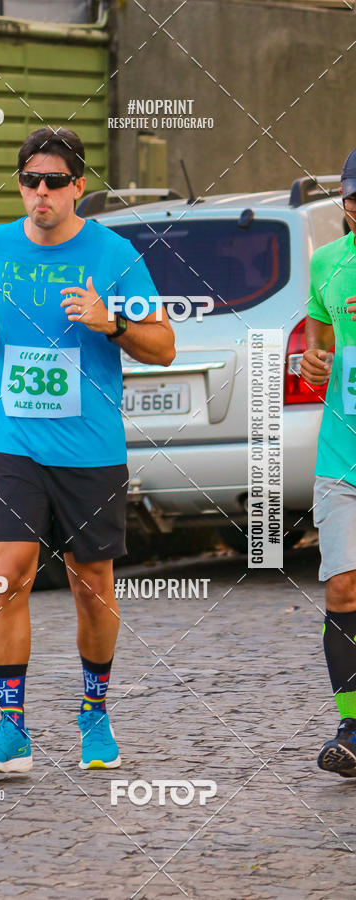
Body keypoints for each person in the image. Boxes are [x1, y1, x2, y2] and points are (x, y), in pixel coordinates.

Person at [0, 126, 175, 773]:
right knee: (8, 575)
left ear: (79, 186)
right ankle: (11, 729)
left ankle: (95, 714)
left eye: (55, 181)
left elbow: (164, 345)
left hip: (89, 448)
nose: (42, 192)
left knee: (91, 587)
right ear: (21, 185)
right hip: (14, 441)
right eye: (31, 180)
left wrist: (111, 322)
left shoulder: (113, 256)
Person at [300, 147, 356, 777]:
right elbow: (319, 348)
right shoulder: (325, 264)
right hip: (342, 452)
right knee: (343, 586)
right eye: (354, 196)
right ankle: (351, 725)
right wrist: (313, 363)